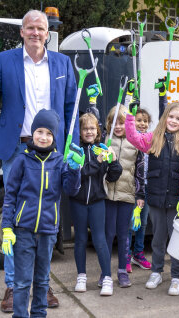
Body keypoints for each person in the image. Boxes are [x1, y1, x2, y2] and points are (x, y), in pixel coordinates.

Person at [0, 9, 78, 311]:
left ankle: (42, 284)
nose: (36, 32)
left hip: (52, 155)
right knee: (15, 220)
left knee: (47, 221)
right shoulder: (6, 59)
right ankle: (13, 285)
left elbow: (71, 107)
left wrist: (72, 147)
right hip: (17, 151)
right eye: (30, 28)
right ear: (21, 32)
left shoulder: (62, 63)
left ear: (48, 33)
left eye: (41, 28)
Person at [0, 109, 82, 317]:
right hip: (24, 230)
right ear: (33, 133)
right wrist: (7, 228)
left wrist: (74, 170)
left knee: (43, 280)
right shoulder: (22, 160)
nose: (43, 137)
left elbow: (71, 189)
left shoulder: (59, 162)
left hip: (47, 231)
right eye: (39, 131)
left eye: (48, 133)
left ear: (54, 137)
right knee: (22, 282)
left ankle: (39, 314)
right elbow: (10, 196)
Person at [125, 101, 179, 296]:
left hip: (176, 201)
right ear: (165, 118)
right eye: (170, 117)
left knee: (177, 240)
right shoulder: (153, 138)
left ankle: (177, 276)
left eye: (178, 118)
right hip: (155, 198)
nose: (173, 121)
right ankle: (156, 271)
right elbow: (133, 137)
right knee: (158, 238)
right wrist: (130, 116)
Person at [71, 112, 122, 296]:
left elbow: (113, 176)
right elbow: (79, 173)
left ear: (98, 131)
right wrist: (97, 162)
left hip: (97, 202)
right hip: (78, 202)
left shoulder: (101, 149)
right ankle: (81, 276)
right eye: (85, 129)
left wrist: (113, 161)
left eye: (92, 128)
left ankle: (107, 278)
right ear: (80, 131)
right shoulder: (75, 150)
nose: (89, 132)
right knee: (80, 240)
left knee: (100, 240)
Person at [103, 105, 144, 288]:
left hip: (127, 195)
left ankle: (121, 270)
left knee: (123, 235)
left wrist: (140, 193)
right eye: (114, 123)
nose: (118, 126)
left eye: (121, 122)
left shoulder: (135, 143)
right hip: (107, 195)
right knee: (107, 234)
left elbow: (141, 171)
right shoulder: (105, 140)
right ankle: (105, 273)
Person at [128, 108, 153, 272]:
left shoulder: (150, 140)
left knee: (143, 223)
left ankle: (138, 253)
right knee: (132, 223)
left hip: (148, 188)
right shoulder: (131, 140)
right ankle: (126, 254)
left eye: (145, 121)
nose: (142, 124)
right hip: (133, 189)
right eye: (139, 120)